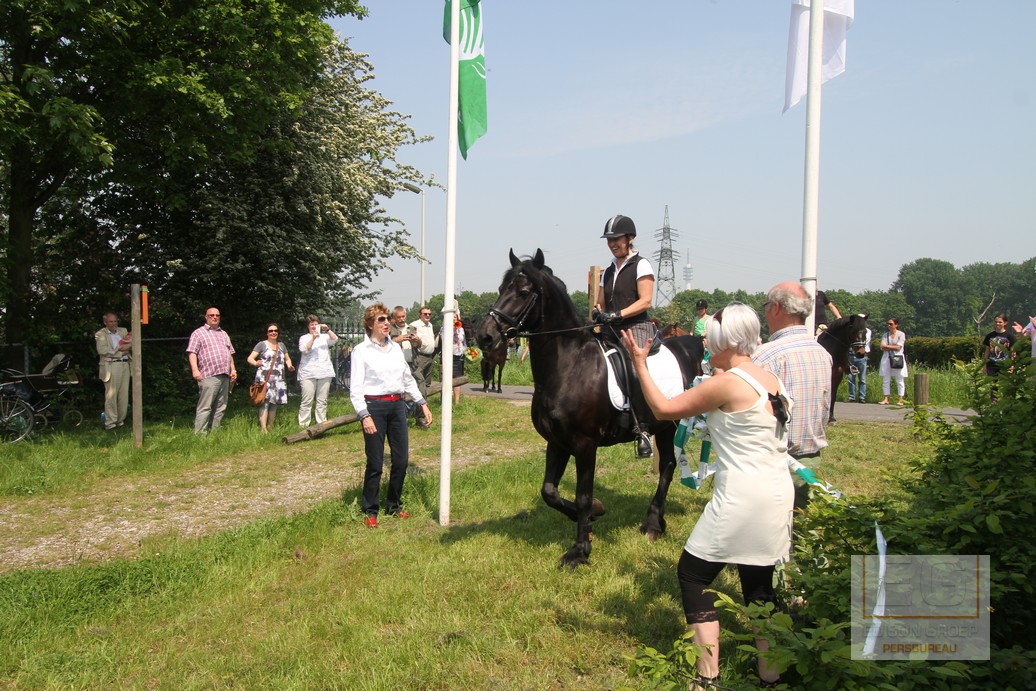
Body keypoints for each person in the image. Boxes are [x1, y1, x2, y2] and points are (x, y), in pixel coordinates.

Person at [622, 304, 790, 687]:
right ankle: (771, 677)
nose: (703, 342)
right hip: (776, 495)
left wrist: (640, 364)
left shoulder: (726, 384)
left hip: (742, 498)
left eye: (709, 338)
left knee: (693, 575)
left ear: (725, 341)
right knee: (758, 583)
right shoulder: (769, 378)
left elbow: (663, 409)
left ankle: (706, 677)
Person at [350, 302, 432, 528]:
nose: (387, 323)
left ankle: (394, 505)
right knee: (376, 462)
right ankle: (370, 509)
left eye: (387, 319)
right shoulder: (361, 351)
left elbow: (407, 379)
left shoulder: (395, 349)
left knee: (401, 460)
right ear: (370, 324)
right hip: (374, 407)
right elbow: (355, 389)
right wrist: (364, 415)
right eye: (381, 320)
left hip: (397, 407)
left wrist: (422, 403)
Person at [754, 282, 831, 509]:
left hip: (772, 461)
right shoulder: (823, 353)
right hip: (811, 460)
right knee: (804, 520)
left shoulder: (764, 356)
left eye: (766, 305)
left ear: (776, 307)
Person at [593, 214, 656, 348]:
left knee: (628, 352)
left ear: (630, 238)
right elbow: (600, 304)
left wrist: (618, 315)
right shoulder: (608, 272)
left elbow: (645, 302)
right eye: (609, 240)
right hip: (610, 329)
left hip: (636, 327)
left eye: (616, 239)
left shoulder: (641, 264)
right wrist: (597, 312)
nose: (612, 244)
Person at [186, 307, 237, 434]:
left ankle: (214, 433)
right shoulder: (198, 333)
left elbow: (229, 353)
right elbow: (192, 352)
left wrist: (233, 370)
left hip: (225, 375)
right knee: (205, 407)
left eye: (217, 315)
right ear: (206, 317)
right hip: (208, 375)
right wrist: (195, 370)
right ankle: (200, 435)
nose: (215, 317)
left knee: (220, 407)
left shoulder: (224, 334)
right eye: (211, 315)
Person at [246, 323, 294, 433]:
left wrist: (289, 366)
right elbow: (250, 358)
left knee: (274, 403)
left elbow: (287, 358)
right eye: (271, 331)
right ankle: (263, 429)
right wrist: (256, 363)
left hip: (278, 380)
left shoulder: (281, 345)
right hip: (264, 379)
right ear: (267, 333)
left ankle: (270, 427)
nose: (273, 333)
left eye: (275, 331)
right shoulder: (261, 344)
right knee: (265, 403)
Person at [296, 315, 338, 427]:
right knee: (307, 400)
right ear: (308, 326)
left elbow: (335, 339)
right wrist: (313, 338)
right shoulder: (304, 338)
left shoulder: (325, 337)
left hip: (325, 372)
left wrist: (327, 329)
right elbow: (305, 350)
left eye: (316, 324)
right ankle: (303, 424)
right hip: (308, 373)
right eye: (312, 325)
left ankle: (321, 423)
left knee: (322, 400)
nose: (314, 326)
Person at [94, 312, 132, 430]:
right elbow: (102, 350)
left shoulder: (123, 331)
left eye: (115, 321)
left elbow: (131, 344)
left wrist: (122, 349)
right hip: (111, 366)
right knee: (111, 395)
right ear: (105, 322)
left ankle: (120, 421)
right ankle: (110, 423)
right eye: (110, 321)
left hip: (125, 364)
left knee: (123, 395)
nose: (113, 324)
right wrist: (120, 352)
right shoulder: (100, 334)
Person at [437, 305, 466, 405]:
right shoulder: (443, 329)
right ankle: (445, 401)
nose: (454, 319)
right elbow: (444, 339)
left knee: (457, 379)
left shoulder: (461, 329)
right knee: (446, 378)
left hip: (458, 355)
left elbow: (463, 342)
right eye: (452, 317)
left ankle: (457, 402)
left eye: (455, 317)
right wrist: (452, 329)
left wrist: (466, 351)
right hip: (447, 356)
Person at [409, 306, 437, 402]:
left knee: (427, 383)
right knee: (419, 382)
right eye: (425, 314)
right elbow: (409, 340)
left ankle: (423, 404)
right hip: (419, 356)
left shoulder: (430, 325)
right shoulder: (413, 325)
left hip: (430, 357)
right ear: (420, 315)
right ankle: (419, 408)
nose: (427, 315)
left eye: (429, 314)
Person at [878, 317, 908, 406]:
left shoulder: (901, 334)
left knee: (899, 379)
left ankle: (901, 399)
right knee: (886, 379)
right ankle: (886, 398)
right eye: (888, 324)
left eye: (891, 324)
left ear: (896, 325)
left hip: (897, 358)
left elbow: (899, 347)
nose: (889, 325)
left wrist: (887, 346)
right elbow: (882, 347)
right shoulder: (885, 335)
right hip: (887, 358)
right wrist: (892, 347)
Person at [847, 325, 873, 403]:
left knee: (862, 378)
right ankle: (852, 397)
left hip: (862, 356)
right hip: (851, 355)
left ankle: (862, 397)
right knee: (851, 378)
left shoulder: (867, 331)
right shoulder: (851, 330)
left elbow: (864, 341)